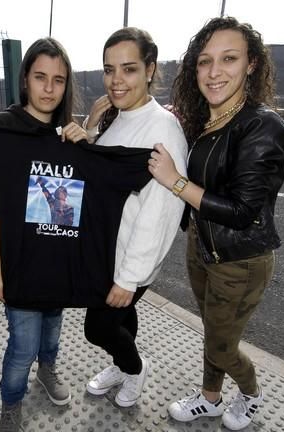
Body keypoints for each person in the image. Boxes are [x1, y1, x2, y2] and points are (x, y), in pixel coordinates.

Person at [147, 16, 284, 430]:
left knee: (222, 346)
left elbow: (243, 211)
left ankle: (250, 396)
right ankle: (211, 398)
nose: (214, 72)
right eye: (204, 61)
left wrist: (175, 180)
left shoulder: (263, 126)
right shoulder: (205, 121)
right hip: (202, 247)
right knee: (214, 333)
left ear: (251, 65)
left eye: (228, 59)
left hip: (239, 259)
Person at [0, 38, 87, 432]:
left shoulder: (66, 135)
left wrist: (85, 147)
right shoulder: (5, 128)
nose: (49, 88)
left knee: (52, 330)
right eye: (40, 77)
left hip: (57, 263)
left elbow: (83, 201)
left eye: (58, 80)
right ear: (25, 80)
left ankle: (47, 371)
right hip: (18, 263)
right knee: (22, 345)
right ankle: (11, 404)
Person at [82, 27, 187, 408]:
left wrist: (128, 279)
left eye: (128, 69)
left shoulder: (162, 128)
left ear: (149, 69)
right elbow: (102, 172)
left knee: (98, 327)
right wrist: (91, 126)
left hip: (129, 261)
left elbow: (161, 213)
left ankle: (135, 367)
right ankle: (123, 363)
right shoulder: (119, 117)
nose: (115, 80)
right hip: (107, 252)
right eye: (109, 70)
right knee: (120, 322)